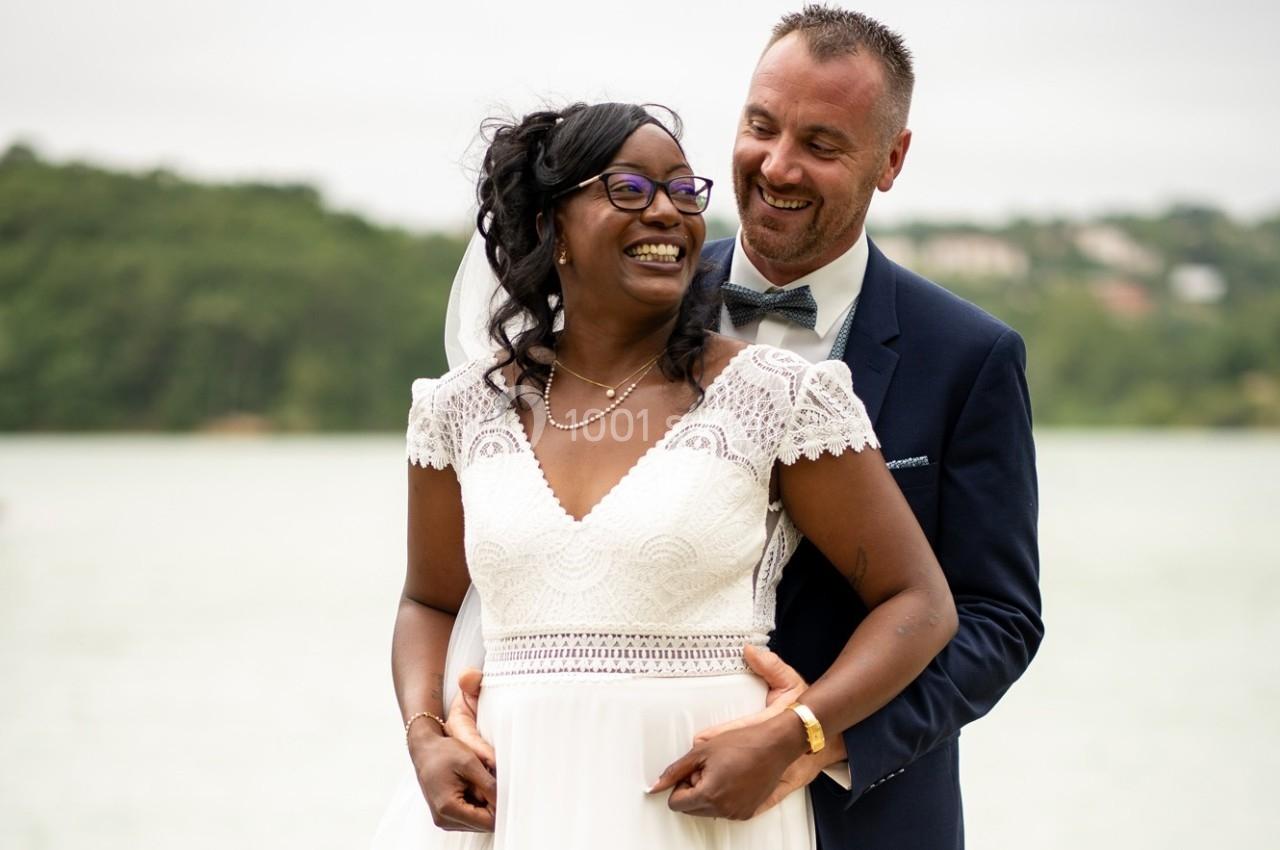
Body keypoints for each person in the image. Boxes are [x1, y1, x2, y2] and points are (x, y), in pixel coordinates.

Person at [439, 7, 1043, 850]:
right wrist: (447, 715)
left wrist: (816, 739)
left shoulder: (968, 357)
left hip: (867, 817)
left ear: (891, 159)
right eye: (761, 127)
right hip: (611, 799)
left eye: (821, 144)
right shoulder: (627, 286)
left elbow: (996, 617)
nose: (777, 164)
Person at [372, 100, 957, 850]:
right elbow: (428, 599)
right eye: (629, 189)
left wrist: (798, 731)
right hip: (515, 799)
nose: (667, 212)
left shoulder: (778, 397)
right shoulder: (459, 408)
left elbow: (920, 601)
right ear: (552, 228)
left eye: (683, 191)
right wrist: (425, 734)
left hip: (700, 807)